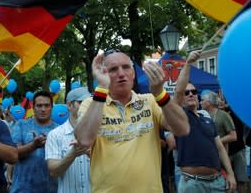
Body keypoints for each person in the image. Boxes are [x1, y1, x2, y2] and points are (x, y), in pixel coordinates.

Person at [74, 50, 189, 192]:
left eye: (126, 67)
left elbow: (182, 129)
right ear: (104, 74)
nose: (121, 73)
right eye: (113, 69)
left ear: (133, 74)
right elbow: (84, 140)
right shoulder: (91, 103)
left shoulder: (150, 101)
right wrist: (102, 88)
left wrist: (160, 93)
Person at [173, 50, 236, 192]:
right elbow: (178, 91)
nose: (190, 95)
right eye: (187, 92)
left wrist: (230, 174)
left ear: (198, 96)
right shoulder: (179, 116)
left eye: (194, 92)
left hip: (216, 183)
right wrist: (188, 64)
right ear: (182, 98)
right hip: (192, 185)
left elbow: (220, 148)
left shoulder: (207, 119)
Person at [9, 90, 59, 193]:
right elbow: (13, 153)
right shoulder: (21, 125)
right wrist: (34, 145)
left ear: (52, 107)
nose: (43, 109)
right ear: (33, 107)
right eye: (39, 106)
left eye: (47, 105)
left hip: (52, 189)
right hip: (22, 189)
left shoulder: (59, 130)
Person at [45, 87, 91, 193]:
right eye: (82, 102)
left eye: (89, 102)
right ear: (69, 105)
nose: (87, 106)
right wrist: (73, 154)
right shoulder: (55, 135)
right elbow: (53, 171)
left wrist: (93, 155)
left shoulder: (99, 132)